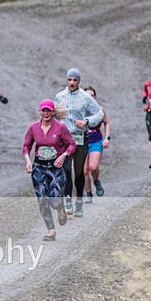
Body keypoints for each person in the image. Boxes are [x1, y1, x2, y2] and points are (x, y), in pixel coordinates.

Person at [23, 99, 76, 241]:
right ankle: (51, 230)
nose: (46, 113)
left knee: (54, 201)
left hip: (55, 168)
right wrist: (28, 160)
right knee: (42, 199)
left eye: (48, 110)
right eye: (43, 110)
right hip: (39, 168)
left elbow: (72, 144)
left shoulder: (60, 128)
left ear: (53, 112)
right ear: (40, 112)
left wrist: (64, 156)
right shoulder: (33, 128)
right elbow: (26, 146)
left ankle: (60, 208)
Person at [54, 68, 104, 217]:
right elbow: (55, 115)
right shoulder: (59, 96)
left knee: (80, 172)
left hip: (81, 138)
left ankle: (80, 202)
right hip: (65, 138)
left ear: (79, 81)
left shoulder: (85, 97)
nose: (72, 83)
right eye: (70, 80)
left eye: (75, 80)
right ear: (66, 80)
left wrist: (87, 121)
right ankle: (68, 200)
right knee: (66, 169)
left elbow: (99, 113)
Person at [82, 86, 110, 202]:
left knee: (93, 167)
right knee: (84, 170)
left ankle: (96, 180)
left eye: (92, 96)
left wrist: (107, 138)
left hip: (96, 141)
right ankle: (88, 194)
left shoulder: (99, 109)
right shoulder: (79, 110)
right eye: (87, 96)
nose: (90, 98)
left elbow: (107, 123)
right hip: (82, 142)